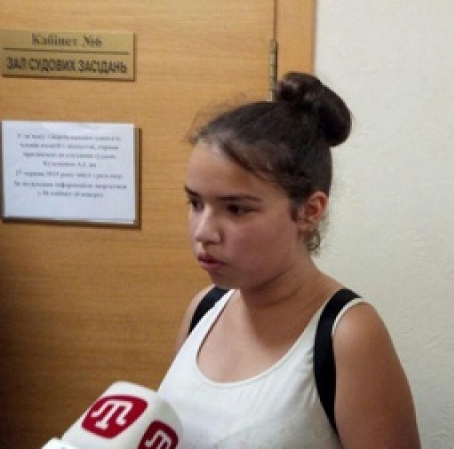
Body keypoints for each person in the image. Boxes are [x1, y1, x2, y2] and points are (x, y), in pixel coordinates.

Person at [158, 72, 421, 448]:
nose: (203, 231)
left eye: (236, 209)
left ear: (309, 211)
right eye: (195, 203)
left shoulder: (347, 335)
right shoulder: (203, 309)